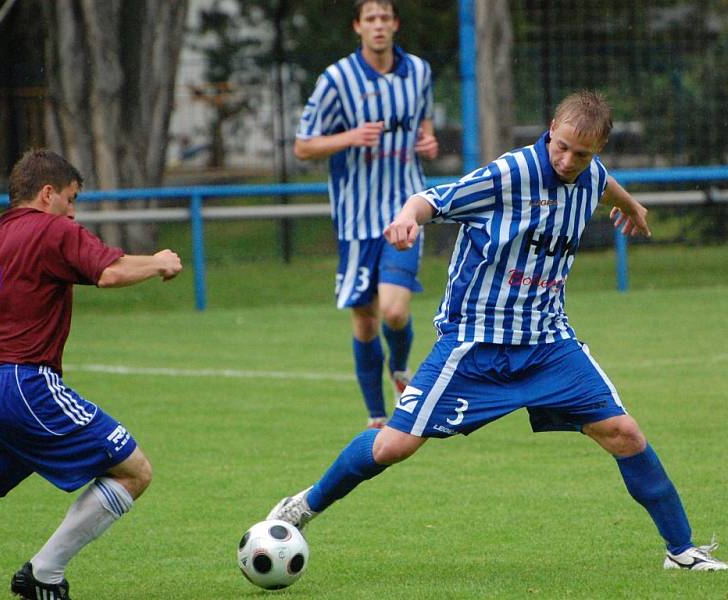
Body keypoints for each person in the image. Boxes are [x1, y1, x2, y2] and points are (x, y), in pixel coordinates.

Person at [267, 90, 727, 571]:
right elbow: (431, 199)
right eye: (561, 146)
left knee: (625, 433)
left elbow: (603, 182)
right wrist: (407, 218)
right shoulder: (510, 174)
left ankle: (682, 552)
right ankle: (303, 505)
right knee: (392, 446)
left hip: (548, 343)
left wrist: (631, 205)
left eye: (582, 153)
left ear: (597, 151)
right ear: (551, 129)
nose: (568, 160)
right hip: (475, 344)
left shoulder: (589, 174)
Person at [0, 149, 183, 599]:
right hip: (23, 385)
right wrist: (160, 260)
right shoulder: (51, 229)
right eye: (72, 198)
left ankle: (43, 575)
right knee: (134, 470)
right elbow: (108, 270)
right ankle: (44, 574)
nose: (74, 211)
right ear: (48, 194)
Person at [294, 0, 439, 428]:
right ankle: (377, 416)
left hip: (405, 208)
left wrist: (428, 141)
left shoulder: (419, 72)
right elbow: (303, 146)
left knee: (394, 310)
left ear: (395, 24)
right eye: (369, 19)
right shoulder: (337, 79)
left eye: (384, 18)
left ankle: (399, 366)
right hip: (356, 220)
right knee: (364, 321)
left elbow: (424, 123)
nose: (378, 26)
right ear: (358, 26)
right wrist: (351, 136)